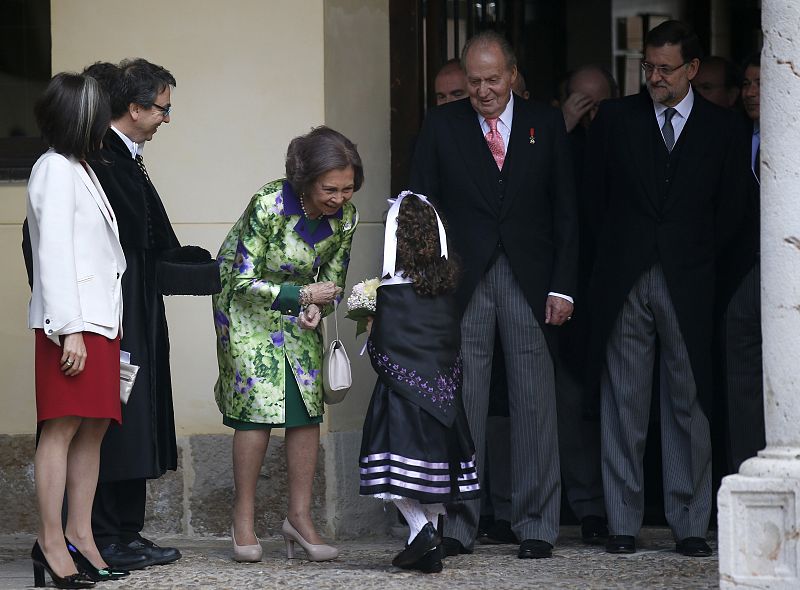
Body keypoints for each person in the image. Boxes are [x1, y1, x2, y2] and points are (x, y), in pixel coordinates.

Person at [411, 30, 578, 559]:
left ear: (512, 76)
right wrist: (424, 283)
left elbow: (566, 211)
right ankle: (460, 523)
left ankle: (536, 525)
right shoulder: (441, 125)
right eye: (474, 81)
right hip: (463, 282)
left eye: (492, 80)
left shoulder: (545, 123)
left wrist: (564, 287)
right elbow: (420, 210)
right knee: (465, 401)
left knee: (534, 400)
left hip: (532, 280)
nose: (482, 91)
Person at [584, 21, 748, 556]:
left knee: (688, 405)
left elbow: (733, 212)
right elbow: (594, 201)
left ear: (693, 70)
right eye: (647, 66)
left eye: (664, 68)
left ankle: (690, 523)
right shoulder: (614, 119)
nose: (653, 77)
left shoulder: (725, 129)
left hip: (692, 280)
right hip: (624, 277)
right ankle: (623, 523)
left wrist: (698, 259)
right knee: (623, 404)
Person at [85, 59, 219, 570]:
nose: (166, 118)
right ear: (135, 108)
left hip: (138, 303)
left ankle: (125, 529)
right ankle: (105, 532)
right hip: (117, 308)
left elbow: (151, 239)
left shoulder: (124, 156)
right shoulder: (103, 158)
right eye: (162, 108)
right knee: (117, 417)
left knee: (135, 414)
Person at [213, 126, 361, 563]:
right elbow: (239, 278)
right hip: (245, 309)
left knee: (304, 409)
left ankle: (299, 517)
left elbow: (333, 279)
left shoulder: (346, 218)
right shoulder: (270, 203)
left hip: (301, 311)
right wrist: (300, 296)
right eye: (329, 189)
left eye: (348, 189)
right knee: (257, 410)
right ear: (305, 181)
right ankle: (243, 517)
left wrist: (319, 307)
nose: (339, 198)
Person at [26, 72, 128, 588]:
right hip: (72, 325)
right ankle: (49, 541)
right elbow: (54, 255)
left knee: (93, 429)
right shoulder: (54, 169)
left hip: (99, 323)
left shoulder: (79, 167)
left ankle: (80, 536)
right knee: (62, 427)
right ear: (78, 117)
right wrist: (69, 329)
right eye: (96, 112)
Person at [360, 191, 479, 574]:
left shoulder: (391, 290)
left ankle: (422, 530)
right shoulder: (444, 290)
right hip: (442, 398)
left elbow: (385, 350)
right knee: (432, 474)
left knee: (394, 475)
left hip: (402, 397)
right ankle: (426, 546)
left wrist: (371, 329)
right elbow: (450, 344)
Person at [557, 64, 618, 545]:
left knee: (617, 402)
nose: (591, 114)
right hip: (557, 294)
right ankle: (582, 504)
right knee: (563, 401)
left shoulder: (626, 138)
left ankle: (611, 507)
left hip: (612, 288)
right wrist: (563, 127)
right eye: (582, 103)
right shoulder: (553, 139)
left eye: (600, 105)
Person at [716, 53, 763, 473]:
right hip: (740, 270)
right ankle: (747, 473)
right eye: (746, 84)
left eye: (760, 84)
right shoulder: (733, 133)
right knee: (741, 375)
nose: (751, 92)